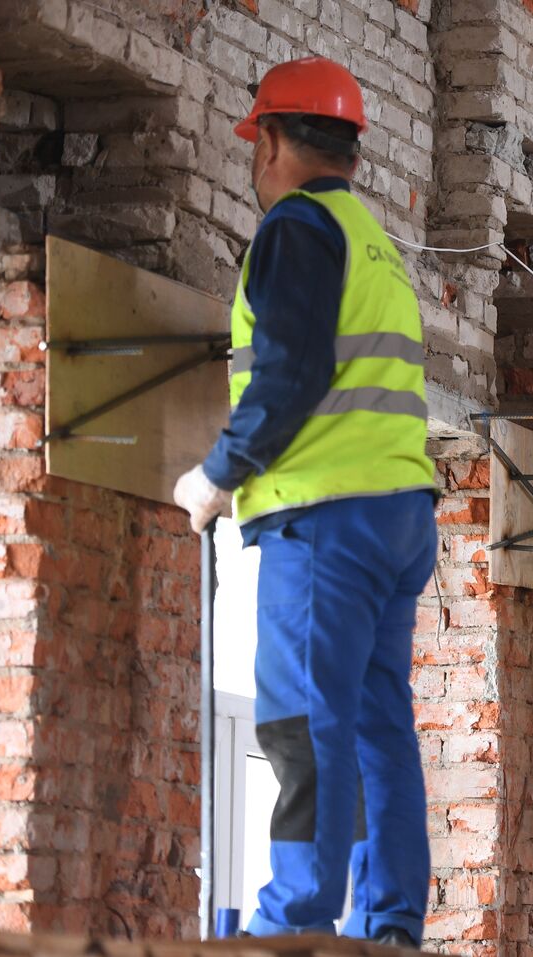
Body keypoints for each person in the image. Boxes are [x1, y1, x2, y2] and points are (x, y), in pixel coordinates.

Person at [172, 56, 436, 947]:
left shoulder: (295, 227)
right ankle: (389, 923)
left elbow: (289, 372)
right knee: (375, 724)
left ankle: (296, 919)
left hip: (327, 514)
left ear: (274, 139)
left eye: (257, 143)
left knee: (300, 716)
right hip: (398, 514)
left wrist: (218, 472)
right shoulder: (375, 241)